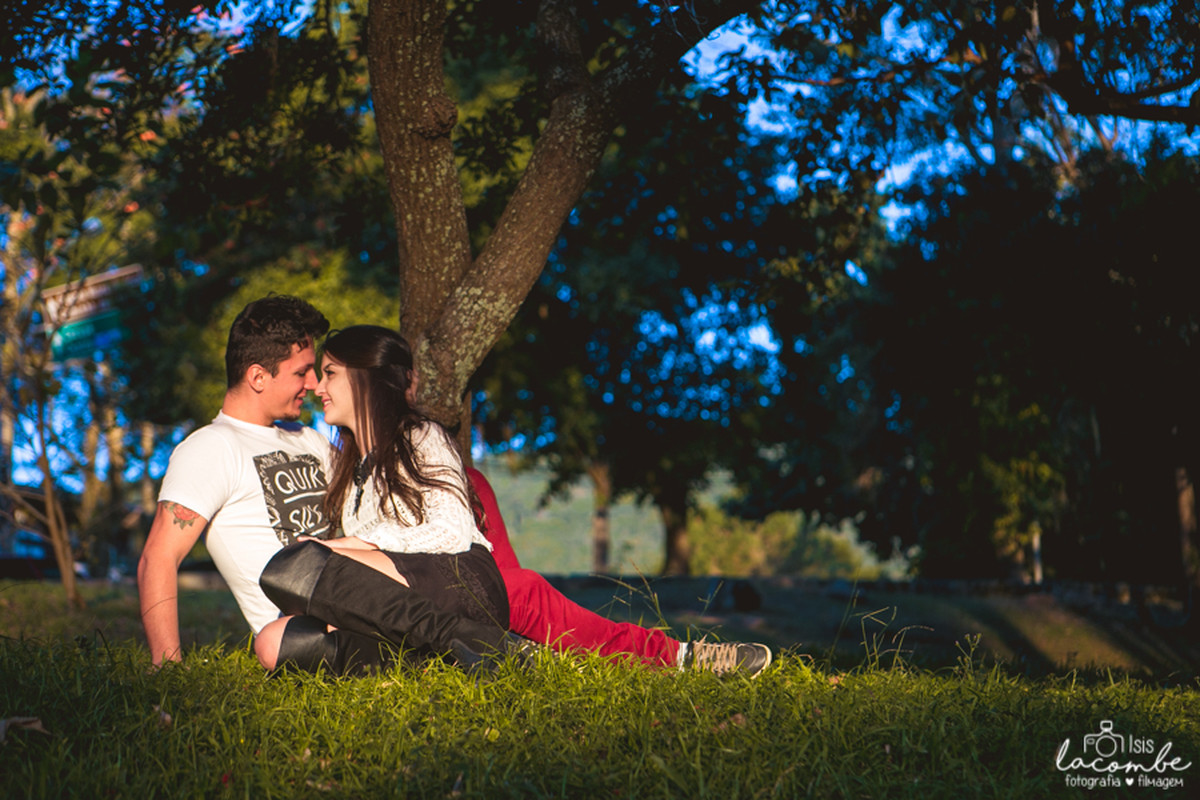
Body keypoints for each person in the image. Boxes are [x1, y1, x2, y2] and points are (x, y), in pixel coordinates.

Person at [138, 295, 771, 675]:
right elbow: (159, 556)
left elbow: (436, 486)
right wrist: (168, 669)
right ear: (256, 375)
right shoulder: (210, 449)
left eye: (323, 373)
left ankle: (673, 657)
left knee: (314, 562)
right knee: (276, 636)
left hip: (406, 587)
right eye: (306, 373)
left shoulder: (323, 440)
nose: (313, 386)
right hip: (336, 612)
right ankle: (483, 647)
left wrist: (355, 547)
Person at [252, 325, 516, 672]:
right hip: (406, 604)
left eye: (330, 373)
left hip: (461, 585)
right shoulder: (350, 471)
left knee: (293, 566)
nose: (318, 386)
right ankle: (439, 660)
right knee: (273, 643)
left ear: (367, 377)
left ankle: (477, 640)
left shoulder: (420, 436)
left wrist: (342, 547)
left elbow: (451, 531)